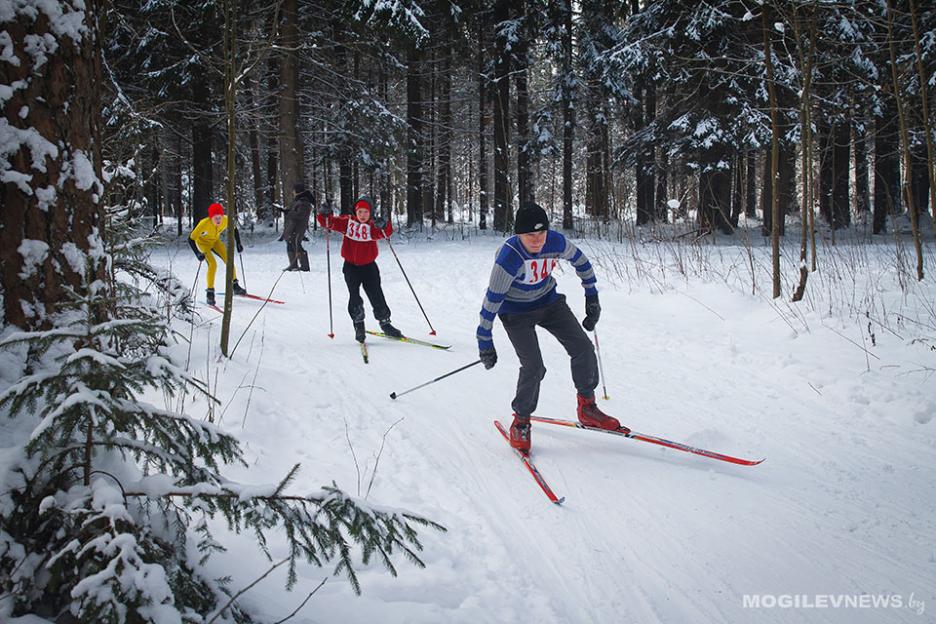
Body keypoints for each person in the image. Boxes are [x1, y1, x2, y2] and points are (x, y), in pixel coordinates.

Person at [476, 202, 626, 453]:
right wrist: (484, 342)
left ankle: (587, 407)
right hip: (515, 312)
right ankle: (521, 421)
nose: (537, 240)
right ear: (518, 234)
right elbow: (491, 302)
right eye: (530, 235)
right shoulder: (509, 257)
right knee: (534, 366)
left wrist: (592, 297)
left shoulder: (555, 242)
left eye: (541, 233)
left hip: (548, 302)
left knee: (583, 348)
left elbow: (582, 262)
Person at [316, 195, 403, 343]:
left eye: (366, 212)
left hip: (369, 267)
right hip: (350, 267)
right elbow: (328, 223)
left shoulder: (373, 226)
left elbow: (386, 232)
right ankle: (358, 325)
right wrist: (324, 213)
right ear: (355, 212)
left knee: (376, 295)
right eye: (360, 212)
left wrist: (384, 225)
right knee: (354, 296)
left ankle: (385, 323)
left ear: (371, 213)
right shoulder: (347, 223)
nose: (362, 215)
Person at [188, 202, 246, 305]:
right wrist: (197, 253)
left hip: (215, 242)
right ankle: (210, 293)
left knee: (229, 260)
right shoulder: (204, 223)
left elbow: (234, 229)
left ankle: (235, 286)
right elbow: (191, 239)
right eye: (216, 218)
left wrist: (238, 243)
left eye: (220, 217)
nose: (218, 220)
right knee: (212, 264)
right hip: (203, 244)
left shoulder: (226, 220)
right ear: (211, 218)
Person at [282, 183, 313, 271]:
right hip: (293, 226)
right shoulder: (298, 201)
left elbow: (300, 215)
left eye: (294, 190)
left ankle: (304, 265)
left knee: (296, 244)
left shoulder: (304, 202)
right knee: (290, 242)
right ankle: (293, 264)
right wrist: (287, 210)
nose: (293, 192)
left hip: (298, 227)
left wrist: (288, 212)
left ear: (297, 191)